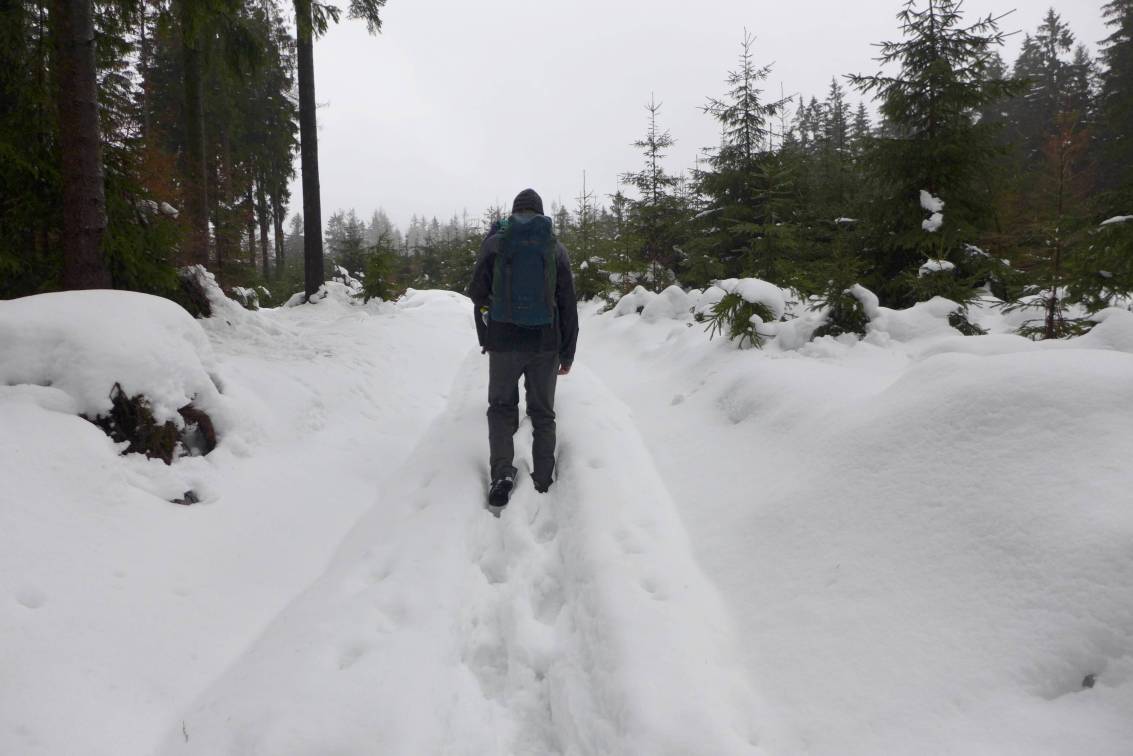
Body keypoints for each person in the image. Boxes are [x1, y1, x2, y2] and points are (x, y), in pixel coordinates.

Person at [468, 188, 578, 509]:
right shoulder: (555, 248)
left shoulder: (496, 243)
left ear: (513, 213)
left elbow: (476, 293)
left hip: (503, 341)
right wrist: (567, 352)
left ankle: (502, 472)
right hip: (545, 343)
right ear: (541, 213)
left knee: (502, 408)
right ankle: (543, 480)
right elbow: (567, 304)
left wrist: (487, 335)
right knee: (542, 412)